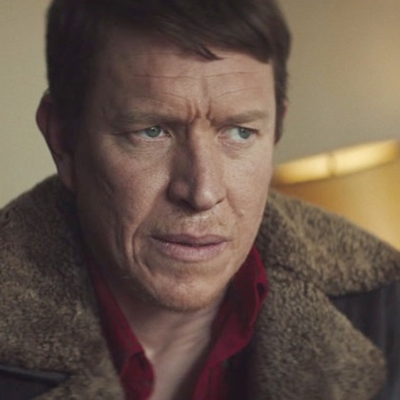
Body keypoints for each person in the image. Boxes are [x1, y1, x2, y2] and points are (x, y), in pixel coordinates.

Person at [0, 0, 399, 399]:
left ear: (276, 129)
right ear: (63, 140)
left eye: (240, 132)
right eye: (152, 131)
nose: (203, 192)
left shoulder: (383, 309)